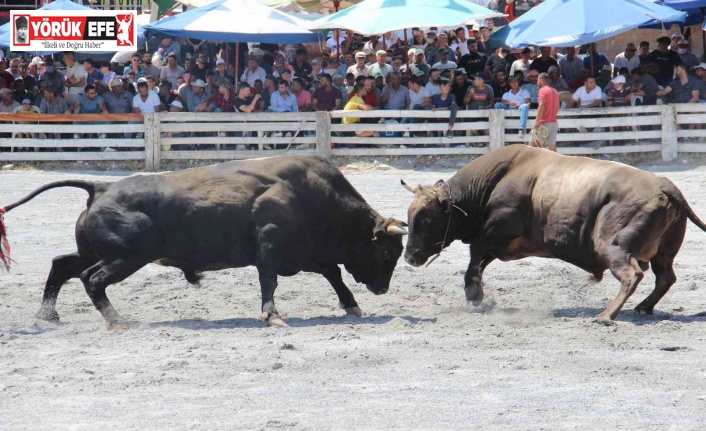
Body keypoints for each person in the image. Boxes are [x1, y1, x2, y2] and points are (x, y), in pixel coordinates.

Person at [529, 72, 559, 151]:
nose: (537, 82)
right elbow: (558, 107)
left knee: (532, 145)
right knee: (552, 148)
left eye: (538, 80)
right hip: (554, 123)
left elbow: (541, 105)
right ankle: (557, 163)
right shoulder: (554, 91)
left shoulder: (542, 90)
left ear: (541, 80)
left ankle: (533, 163)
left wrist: (537, 121)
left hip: (544, 123)